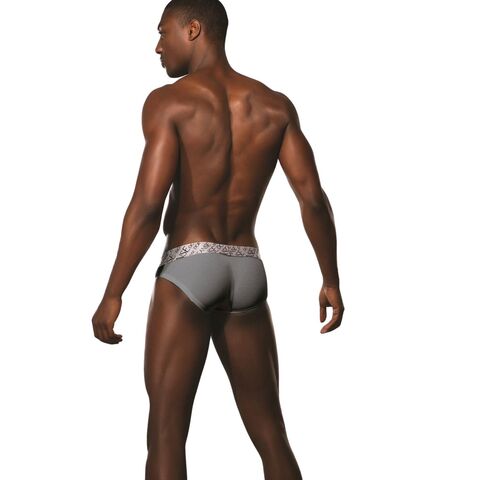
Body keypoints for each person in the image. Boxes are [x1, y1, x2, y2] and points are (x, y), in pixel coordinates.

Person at [91, 0, 345, 478]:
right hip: (247, 270)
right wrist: (330, 278)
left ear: (193, 30)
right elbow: (313, 198)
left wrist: (113, 292)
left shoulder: (170, 102)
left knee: (166, 432)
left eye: (163, 32)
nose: (157, 46)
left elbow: (147, 207)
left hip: (188, 265)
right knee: (271, 433)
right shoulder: (274, 106)